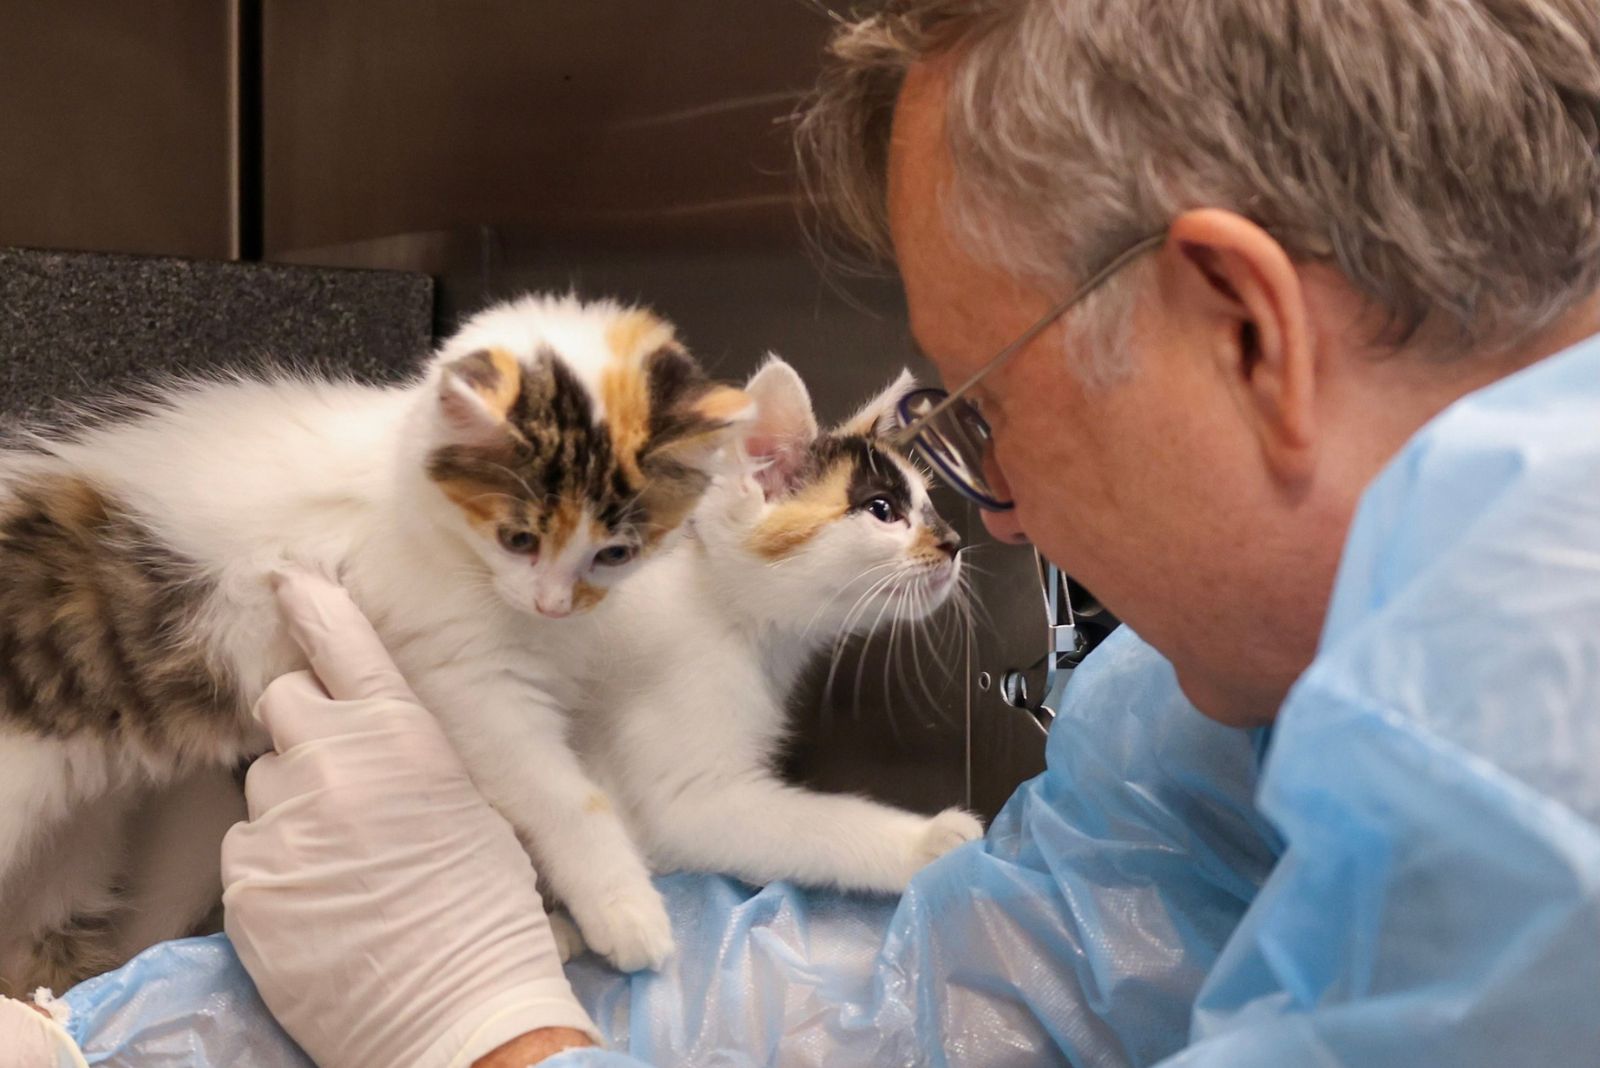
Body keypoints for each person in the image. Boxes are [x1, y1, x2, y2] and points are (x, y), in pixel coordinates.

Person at [10, 1, 1600, 1064]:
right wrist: (120, 1041)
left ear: (1244, 330)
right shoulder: (1237, 713)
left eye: (986, 411)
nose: (1003, 507)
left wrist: (485, 1025)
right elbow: (949, 1005)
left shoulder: (1539, 721)